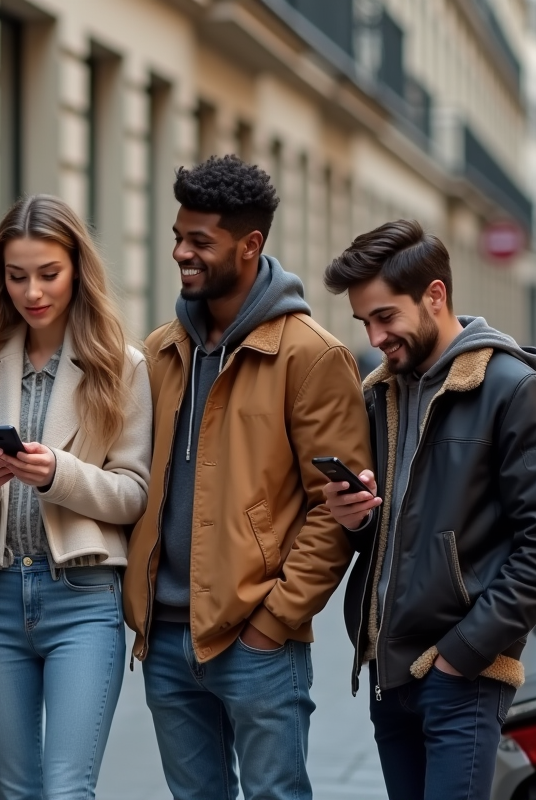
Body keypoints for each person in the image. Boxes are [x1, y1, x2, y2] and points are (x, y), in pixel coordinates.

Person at [121, 155, 372, 800]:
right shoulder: (159, 351)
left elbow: (338, 507)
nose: (181, 252)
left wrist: (276, 620)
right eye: (179, 236)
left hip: (256, 640)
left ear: (250, 244)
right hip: (166, 637)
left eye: (200, 241)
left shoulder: (312, 356)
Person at [321, 219, 536, 800]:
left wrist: (461, 655)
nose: (375, 336)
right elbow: (393, 533)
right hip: (389, 673)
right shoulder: (379, 393)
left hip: (460, 675)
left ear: (434, 296)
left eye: (385, 317)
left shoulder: (513, 390)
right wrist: (357, 517)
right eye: (365, 322)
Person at [0, 195, 151, 799]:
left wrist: (57, 473)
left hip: (84, 600)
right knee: (15, 793)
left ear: (77, 273)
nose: (32, 291)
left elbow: (132, 496)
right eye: (17, 276)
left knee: (67, 791)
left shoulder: (123, 367)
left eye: (48, 274)